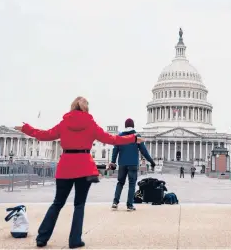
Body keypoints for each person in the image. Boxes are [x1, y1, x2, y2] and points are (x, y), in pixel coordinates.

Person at [14, 97, 144, 249]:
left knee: (57, 203)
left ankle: (42, 238)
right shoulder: (90, 124)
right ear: (86, 108)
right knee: (79, 205)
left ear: (72, 106)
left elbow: (45, 135)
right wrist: (133, 138)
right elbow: (112, 139)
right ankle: (75, 240)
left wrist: (26, 129)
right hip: (84, 166)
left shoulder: (64, 123)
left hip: (65, 166)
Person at [110, 118, 155, 211]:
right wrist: (151, 161)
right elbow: (144, 151)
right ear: (133, 126)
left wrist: (113, 161)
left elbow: (115, 150)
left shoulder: (119, 136)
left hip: (122, 163)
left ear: (125, 126)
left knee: (120, 183)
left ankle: (115, 202)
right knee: (132, 184)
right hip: (133, 164)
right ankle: (129, 205)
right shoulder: (137, 136)